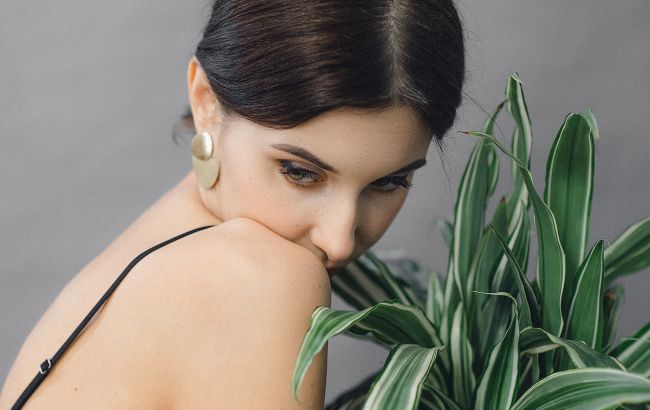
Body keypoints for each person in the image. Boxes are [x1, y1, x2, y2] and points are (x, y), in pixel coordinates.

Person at [0, 0, 465, 408]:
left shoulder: (152, 253)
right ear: (206, 102)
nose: (340, 241)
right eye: (300, 172)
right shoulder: (258, 278)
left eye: (390, 182)